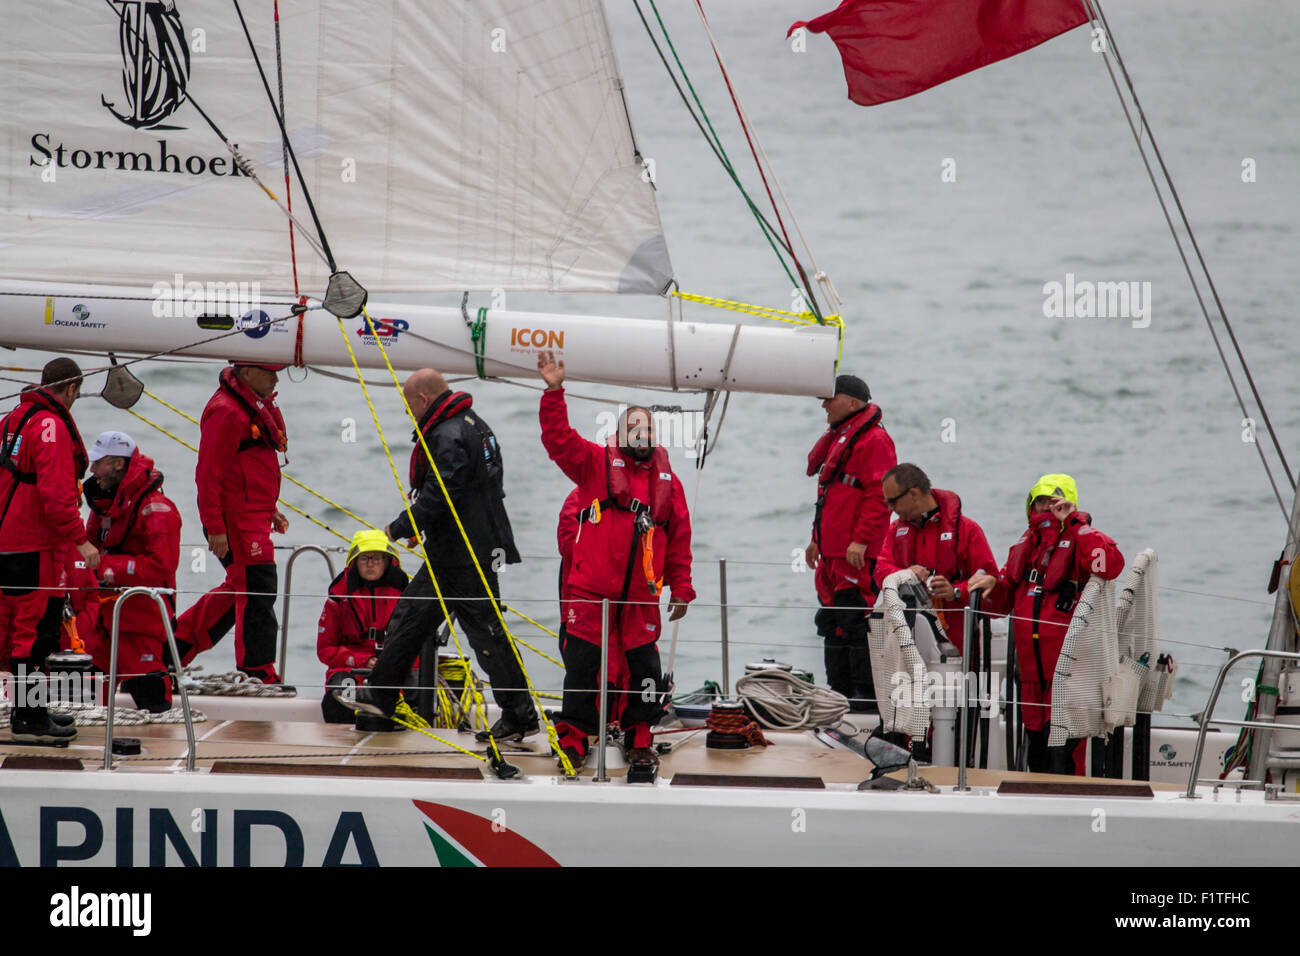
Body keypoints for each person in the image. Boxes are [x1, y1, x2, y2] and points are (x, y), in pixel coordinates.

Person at [341, 369, 534, 741]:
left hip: (465, 557)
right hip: (457, 551)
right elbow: (467, 493)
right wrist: (423, 527)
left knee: (487, 637)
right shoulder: (474, 424)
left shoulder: (448, 433)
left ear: (424, 400)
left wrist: (399, 527)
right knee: (410, 619)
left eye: (409, 405)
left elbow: (440, 492)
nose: (408, 413)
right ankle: (380, 696)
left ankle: (520, 715)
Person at [536, 350, 695, 775]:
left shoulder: (669, 483)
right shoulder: (594, 465)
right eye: (632, 427)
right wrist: (554, 391)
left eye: (646, 428)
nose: (639, 434)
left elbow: (679, 539)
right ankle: (573, 735)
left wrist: (682, 587)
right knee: (583, 665)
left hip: (641, 597)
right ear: (620, 432)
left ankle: (639, 735)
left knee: (645, 669)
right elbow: (558, 441)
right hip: (591, 592)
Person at [968, 474, 1124, 775]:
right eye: (1040, 501)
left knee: (1065, 756)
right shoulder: (1027, 546)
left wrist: (1075, 522)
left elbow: (1111, 565)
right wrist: (992, 583)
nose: (1047, 509)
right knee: (1036, 755)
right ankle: (1038, 809)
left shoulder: (1082, 539)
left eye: (1055, 502)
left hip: (1068, 677)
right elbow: (1002, 603)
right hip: (1030, 677)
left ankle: (1070, 810)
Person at [0, 357, 98, 743]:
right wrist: (81, 539)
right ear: (72, 389)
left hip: (8, 544)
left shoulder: (11, 421)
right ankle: (28, 718)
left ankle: (32, 710)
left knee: (16, 632)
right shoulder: (51, 427)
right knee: (34, 635)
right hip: (35, 547)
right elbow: (57, 497)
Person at [174, 362, 290, 683]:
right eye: (270, 372)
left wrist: (271, 510)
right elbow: (208, 475)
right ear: (247, 372)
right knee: (257, 590)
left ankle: (172, 650)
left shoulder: (249, 406)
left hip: (252, 517)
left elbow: (248, 470)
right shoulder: (226, 411)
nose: (276, 378)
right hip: (235, 524)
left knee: (241, 590)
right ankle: (257, 670)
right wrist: (215, 528)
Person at [804, 373, 896, 711]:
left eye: (830, 399)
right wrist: (815, 540)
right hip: (831, 554)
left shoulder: (874, 440)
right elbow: (828, 495)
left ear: (853, 403)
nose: (825, 406)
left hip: (855, 555)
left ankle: (866, 701)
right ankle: (839, 694)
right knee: (832, 621)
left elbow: (878, 495)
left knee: (857, 620)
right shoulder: (841, 437)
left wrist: (860, 541)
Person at [81, 431, 182, 712]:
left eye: (98, 462)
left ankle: (160, 753)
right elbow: (87, 550)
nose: (92, 469)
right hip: (100, 619)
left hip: (139, 622)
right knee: (78, 699)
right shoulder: (103, 505)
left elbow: (160, 567)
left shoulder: (157, 510)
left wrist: (104, 567)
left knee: (153, 703)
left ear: (117, 463)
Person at [874, 463, 997, 650]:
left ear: (913, 494)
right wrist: (906, 574)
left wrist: (955, 591)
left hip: (958, 638)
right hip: (907, 636)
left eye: (893, 501)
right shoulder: (895, 531)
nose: (890, 508)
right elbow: (880, 571)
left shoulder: (967, 530)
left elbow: (991, 583)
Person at [317, 530, 408, 723]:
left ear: (387, 560)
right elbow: (325, 650)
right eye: (364, 558)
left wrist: (392, 664)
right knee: (340, 697)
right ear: (354, 562)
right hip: (351, 670)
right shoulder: (338, 599)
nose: (370, 564)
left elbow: (417, 646)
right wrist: (362, 660)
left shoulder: (406, 596)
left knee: (416, 693)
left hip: (395, 669)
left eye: (376, 558)